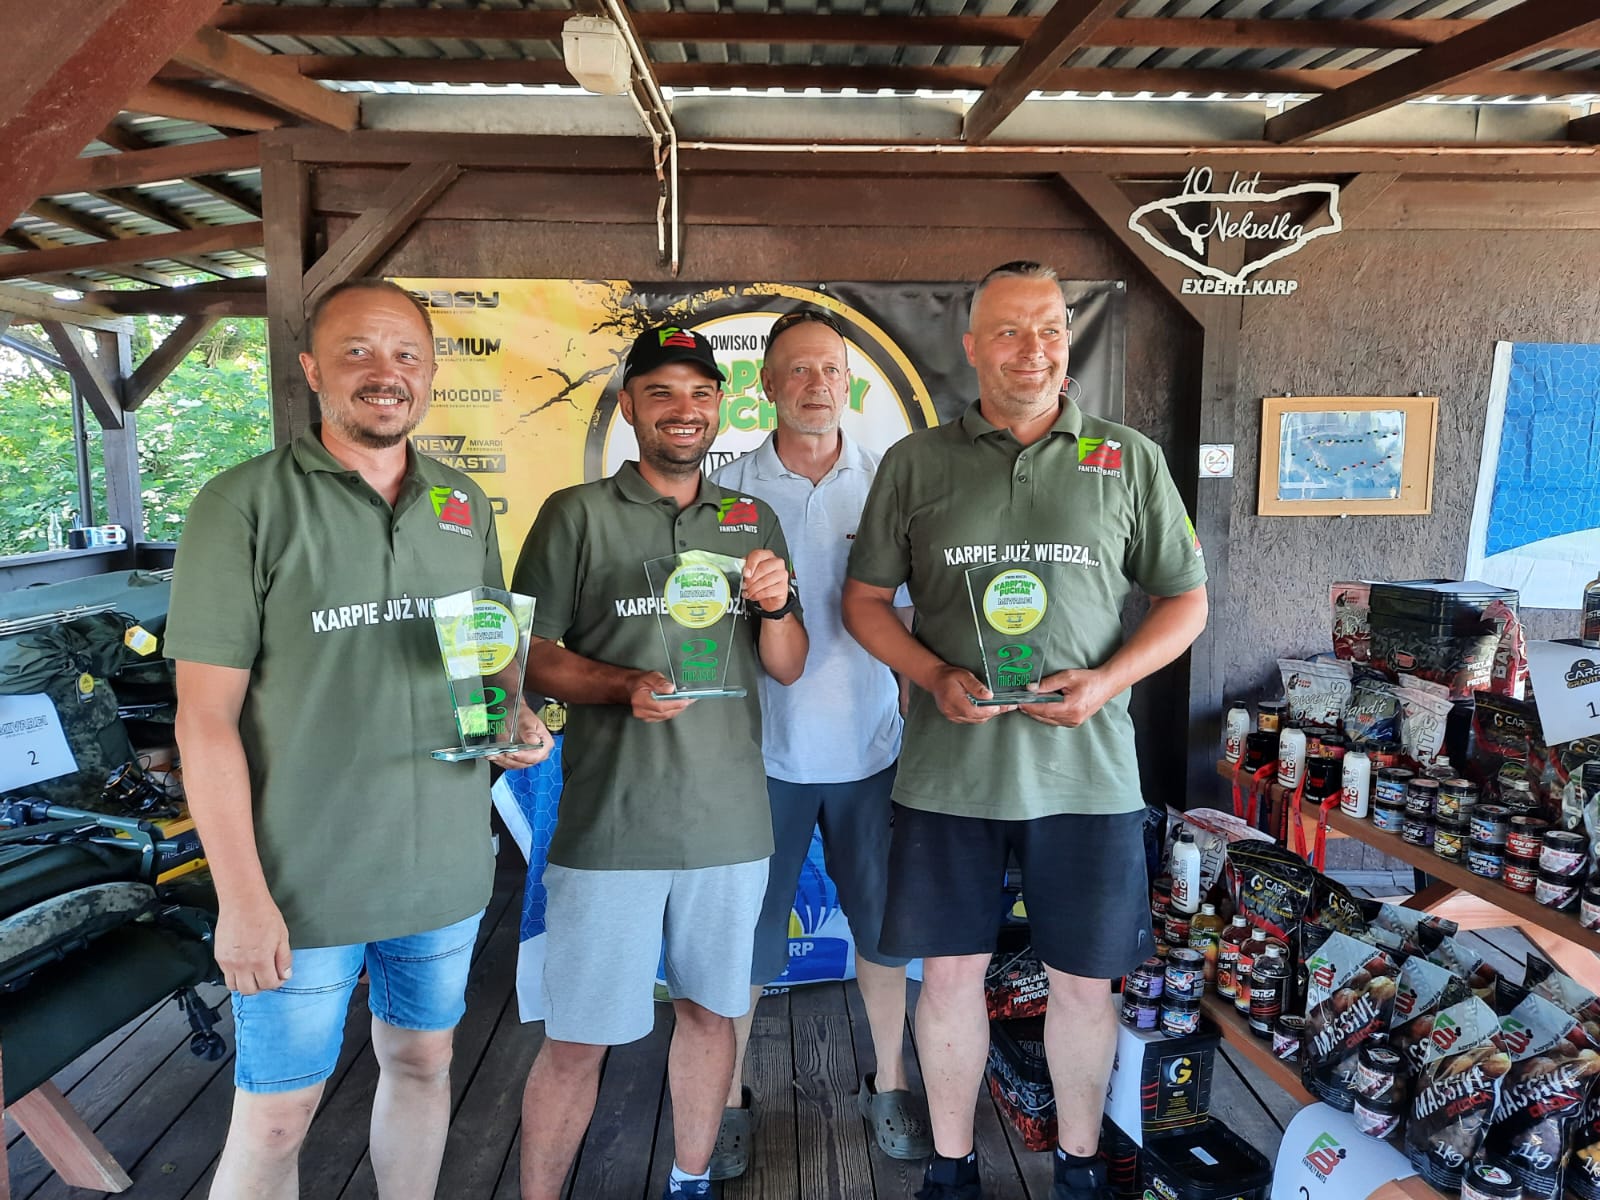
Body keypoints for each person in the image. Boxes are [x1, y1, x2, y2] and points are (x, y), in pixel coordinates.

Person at [167, 278, 551, 1200]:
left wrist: (514, 715)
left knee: (422, 1063)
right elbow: (203, 719)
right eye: (358, 352)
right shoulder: (242, 504)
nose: (387, 373)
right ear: (312, 371)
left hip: (442, 872)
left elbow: (488, 659)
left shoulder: (463, 502)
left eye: (406, 355)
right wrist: (241, 900)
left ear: (430, 374)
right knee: (275, 1117)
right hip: (298, 885)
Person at [841, 262, 1209, 1200]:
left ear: (1067, 339)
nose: (1031, 348)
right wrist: (931, 674)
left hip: (1087, 775)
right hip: (948, 775)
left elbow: (1186, 601)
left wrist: (1108, 682)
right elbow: (865, 601)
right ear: (971, 346)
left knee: (1084, 985)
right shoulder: (915, 463)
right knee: (949, 980)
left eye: (1048, 328)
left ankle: (1078, 1168)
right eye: (1008, 330)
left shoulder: (1127, 457)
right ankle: (953, 1169)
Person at [512, 324, 808, 1200]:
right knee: (576, 1039)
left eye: (700, 393)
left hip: (728, 823)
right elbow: (529, 655)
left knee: (712, 1017)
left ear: (720, 406)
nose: (685, 409)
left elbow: (788, 664)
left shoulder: (752, 519)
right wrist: (622, 686)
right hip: (611, 824)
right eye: (662, 393)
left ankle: (690, 1180)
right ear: (630, 407)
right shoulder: (576, 513)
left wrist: (777, 605)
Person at [708, 308, 931, 1177]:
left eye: (831, 370)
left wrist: (917, 718)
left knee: (882, 930)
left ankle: (891, 1081)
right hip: (757, 759)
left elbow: (909, 617)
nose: (816, 384)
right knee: (748, 940)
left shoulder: (888, 481)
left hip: (871, 753)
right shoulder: (727, 491)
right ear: (765, 384)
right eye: (797, 369)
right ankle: (727, 1099)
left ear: (851, 383)